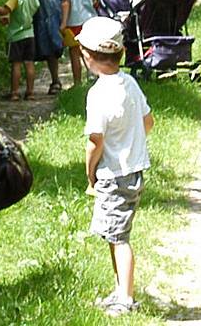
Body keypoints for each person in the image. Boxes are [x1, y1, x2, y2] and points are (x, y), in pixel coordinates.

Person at [76, 17, 154, 316]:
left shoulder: (97, 94)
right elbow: (148, 122)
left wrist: (90, 173)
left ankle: (126, 298)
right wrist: (130, 141)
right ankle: (120, 289)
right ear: (120, 53)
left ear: (87, 56)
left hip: (113, 174)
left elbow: (95, 141)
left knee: (119, 238)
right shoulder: (130, 83)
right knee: (113, 232)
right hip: (133, 170)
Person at [57, 0, 100, 87]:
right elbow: (96, 0)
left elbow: (65, 2)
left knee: (74, 52)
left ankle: (77, 83)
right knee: (88, 49)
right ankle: (93, 76)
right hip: (90, 20)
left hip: (73, 22)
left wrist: (63, 23)